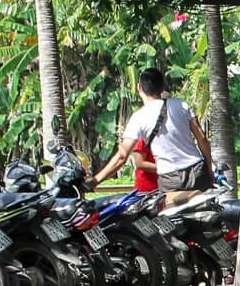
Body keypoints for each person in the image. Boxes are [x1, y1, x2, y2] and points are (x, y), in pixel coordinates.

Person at [91, 70, 212, 198]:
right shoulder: (181, 104)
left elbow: (122, 156)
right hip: (197, 171)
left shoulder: (138, 117)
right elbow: (202, 138)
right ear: (162, 87)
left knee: (171, 216)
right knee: (206, 212)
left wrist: (96, 180)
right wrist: (210, 167)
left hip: (170, 178)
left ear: (139, 88)